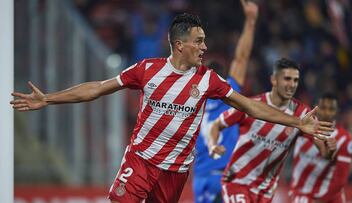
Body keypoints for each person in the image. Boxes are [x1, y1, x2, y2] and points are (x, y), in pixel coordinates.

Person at [11, 11, 333, 203]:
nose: (204, 47)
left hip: (176, 172)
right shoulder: (147, 70)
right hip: (140, 160)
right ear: (180, 44)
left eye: (205, 41)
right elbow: (97, 88)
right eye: (199, 41)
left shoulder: (209, 80)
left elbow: (251, 106)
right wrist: (48, 98)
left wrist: (296, 122)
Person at [208, 58, 335, 203]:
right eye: (287, 79)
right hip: (237, 182)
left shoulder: (303, 115)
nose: (292, 85)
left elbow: (325, 153)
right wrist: (213, 145)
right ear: (274, 80)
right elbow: (216, 124)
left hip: (266, 191)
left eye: (295, 80)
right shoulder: (253, 106)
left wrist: (330, 150)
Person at [193, 0, 258, 202]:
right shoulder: (228, 91)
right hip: (223, 176)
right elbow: (241, 58)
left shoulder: (192, 99)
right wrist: (250, 21)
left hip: (200, 178)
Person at [289, 93, 352, 203]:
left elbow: (340, 179)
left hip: (329, 198)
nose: (327, 112)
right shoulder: (303, 126)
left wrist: (322, 201)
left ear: (337, 111)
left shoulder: (344, 138)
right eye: (323, 108)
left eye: (331, 109)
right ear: (315, 107)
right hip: (301, 195)